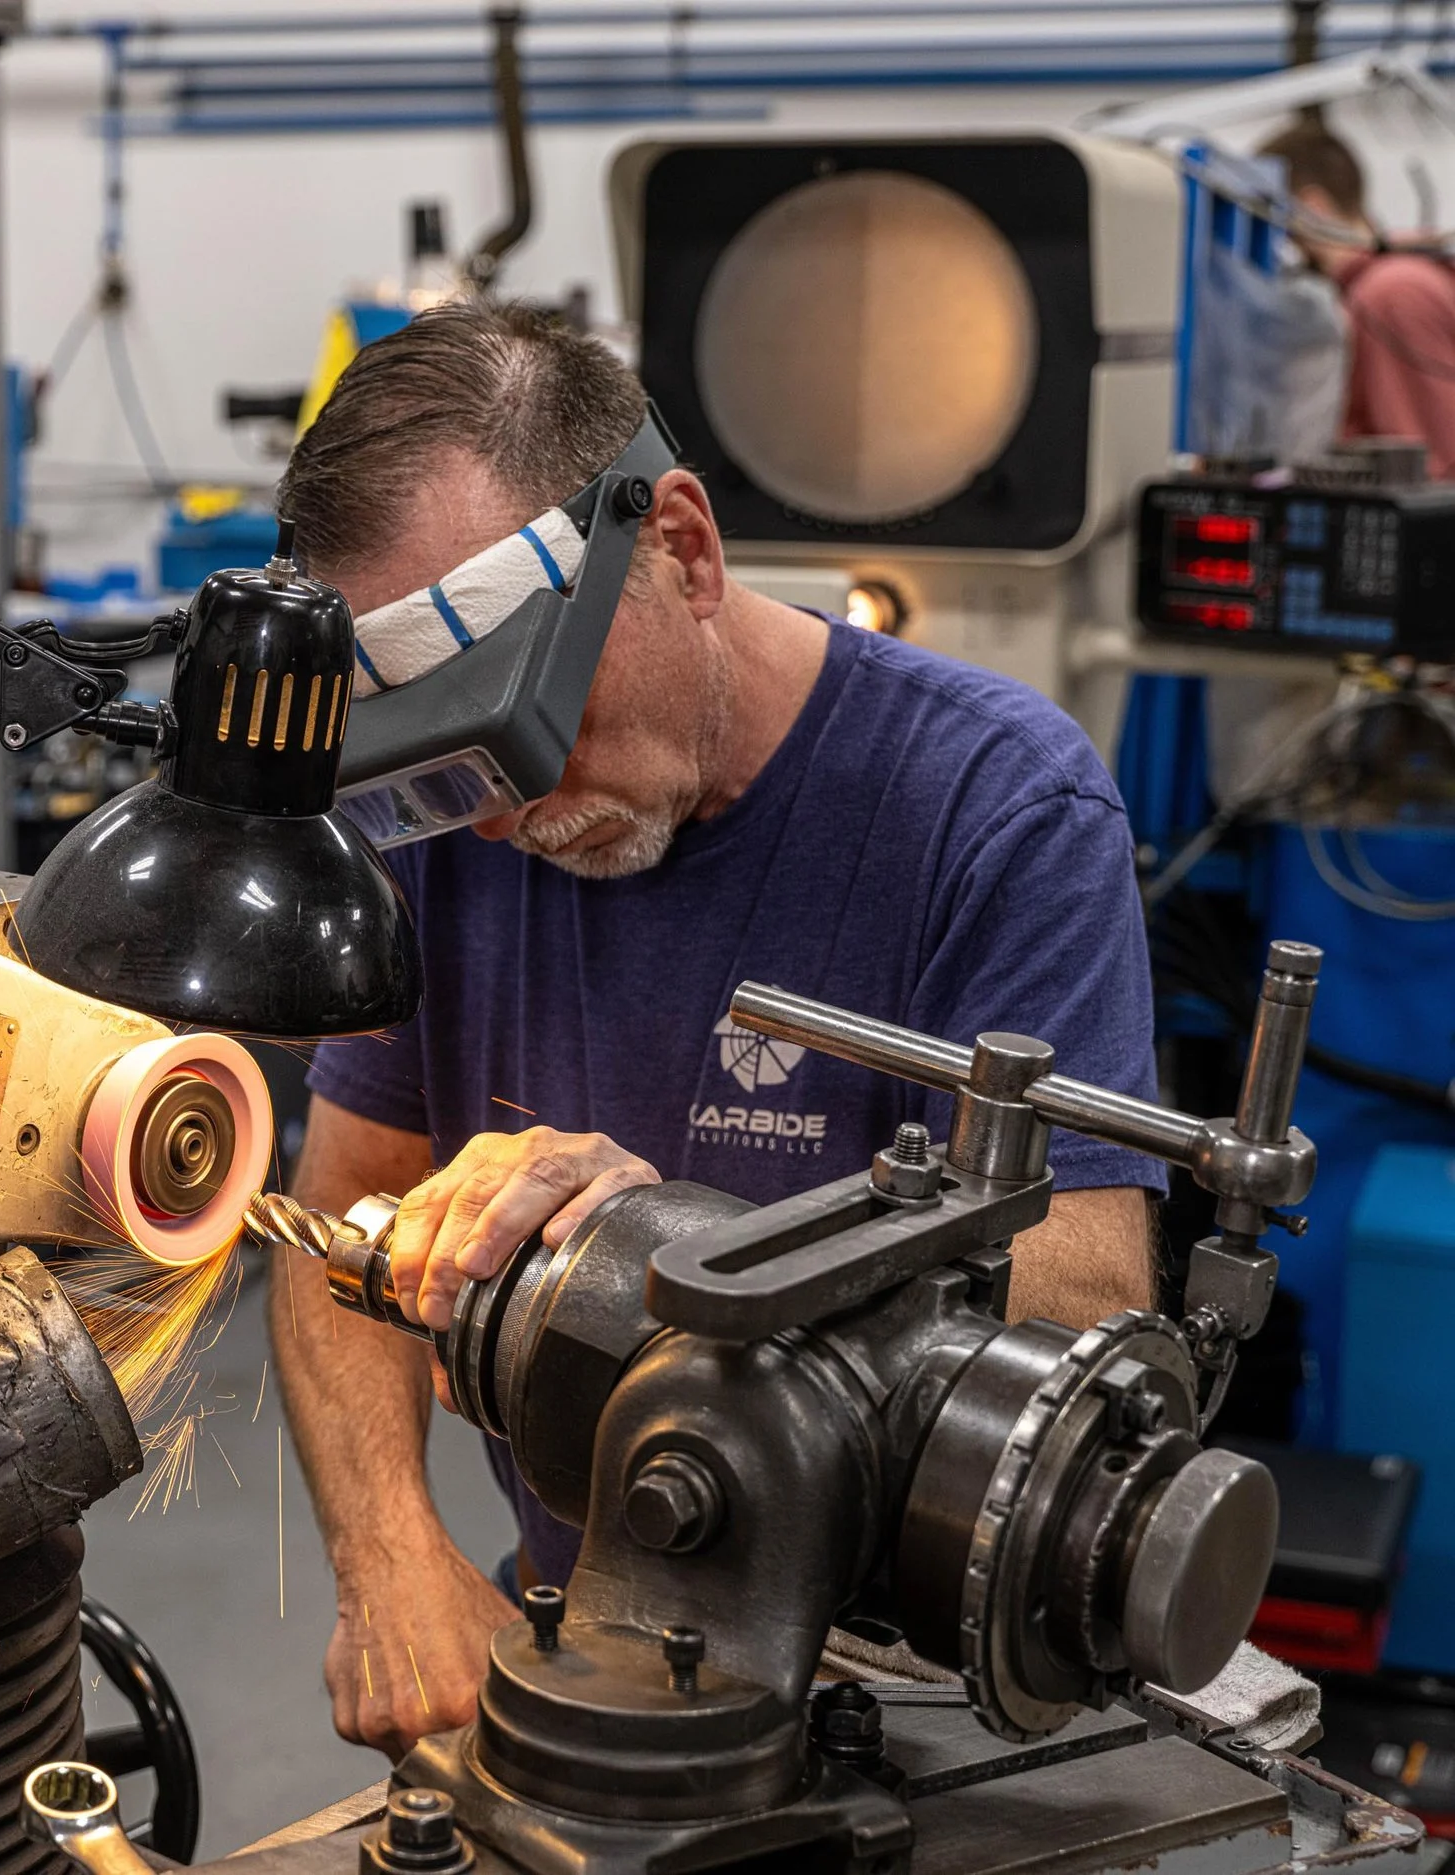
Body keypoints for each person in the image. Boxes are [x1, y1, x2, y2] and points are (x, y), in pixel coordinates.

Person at [266, 301, 1163, 1761]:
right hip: (582, 1638)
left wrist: (681, 1253)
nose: (501, 812)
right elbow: (333, 1230)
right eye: (440, 771)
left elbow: (1076, 1310)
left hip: (909, 1685)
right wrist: (391, 1558)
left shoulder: (993, 803)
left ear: (680, 545)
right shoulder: (454, 828)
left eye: (529, 731)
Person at [1262, 118, 1455, 478]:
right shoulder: (1377, 289)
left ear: (1312, 207)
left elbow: (1429, 469)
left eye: (1270, 218)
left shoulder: (1390, 294)